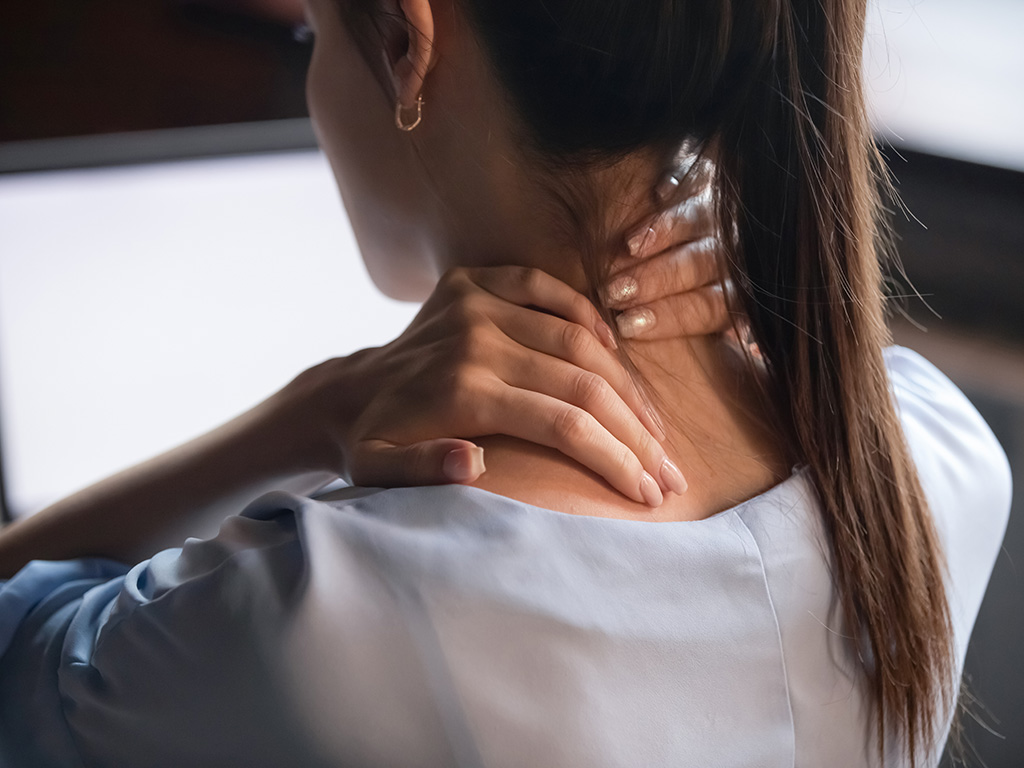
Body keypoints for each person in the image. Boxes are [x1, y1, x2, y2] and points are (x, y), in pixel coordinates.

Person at [0, 0, 1012, 766]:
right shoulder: (936, 459)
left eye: (316, 34)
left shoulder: (314, 618)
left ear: (406, 41)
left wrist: (310, 414)